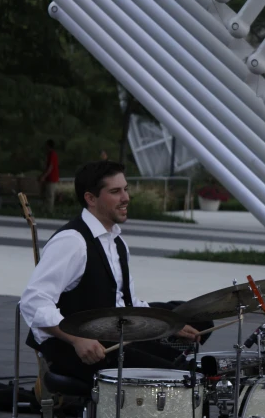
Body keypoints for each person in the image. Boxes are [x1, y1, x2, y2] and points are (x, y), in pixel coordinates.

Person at [20, 160, 206, 387]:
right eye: (115, 191)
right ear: (91, 198)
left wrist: (168, 325)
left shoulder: (117, 242)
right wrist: (78, 339)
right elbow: (33, 301)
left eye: (125, 189)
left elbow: (125, 300)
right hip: (74, 348)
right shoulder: (72, 241)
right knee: (176, 376)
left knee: (200, 320)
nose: (126, 197)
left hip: (115, 333)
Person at [40, 139, 60, 214]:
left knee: (50, 195)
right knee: (47, 195)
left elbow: (50, 167)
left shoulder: (52, 154)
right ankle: (45, 209)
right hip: (50, 178)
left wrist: (43, 176)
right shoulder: (50, 154)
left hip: (52, 178)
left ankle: (49, 211)